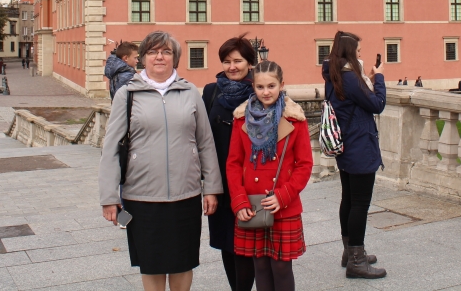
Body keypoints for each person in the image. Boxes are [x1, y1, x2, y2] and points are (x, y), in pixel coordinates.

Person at [99, 31, 222, 291]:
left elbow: (205, 143)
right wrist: (109, 196)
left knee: (183, 262)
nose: (159, 57)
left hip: (185, 194)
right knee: (151, 263)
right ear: (143, 57)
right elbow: (111, 148)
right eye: (153, 52)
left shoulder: (190, 92)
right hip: (142, 196)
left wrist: (212, 187)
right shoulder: (127, 94)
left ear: (175, 58)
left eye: (166, 52)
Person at [228, 60, 312, 291]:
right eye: (260, 87)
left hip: (282, 204)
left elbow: (304, 164)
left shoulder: (295, 119)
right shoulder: (241, 119)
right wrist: (239, 200)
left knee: (282, 267)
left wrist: (283, 195)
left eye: (271, 86)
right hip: (252, 204)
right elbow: (234, 163)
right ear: (253, 87)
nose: (266, 92)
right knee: (261, 265)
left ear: (281, 85)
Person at [323, 31, 387, 279]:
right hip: (359, 146)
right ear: (350, 53)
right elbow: (377, 104)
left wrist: (365, 80)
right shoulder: (350, 78)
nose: (361, 55)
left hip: (346, 145)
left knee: (349, 199)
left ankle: (349, 253)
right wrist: (379, 78)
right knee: (359, 203)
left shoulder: (334, 75)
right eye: (358, 51)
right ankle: (357, 261)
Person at [202, 35, 258, 291]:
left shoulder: (261, 92)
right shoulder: (211, 92)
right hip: (220, 181)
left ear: (250, 63)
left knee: (248, 244)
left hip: (251, 183)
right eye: (227, 61)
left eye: (238, 61)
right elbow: (202, 137)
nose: (232, 67)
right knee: (227, 243)